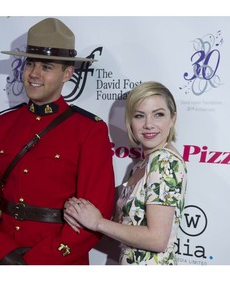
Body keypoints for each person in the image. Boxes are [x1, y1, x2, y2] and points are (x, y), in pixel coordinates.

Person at [0, 18, 115, 265]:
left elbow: (96, 215)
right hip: (4, 257)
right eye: (30, 63)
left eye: (47, 66)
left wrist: (37, 262)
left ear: (67, 74)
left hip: (59, 261)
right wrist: (1, 252)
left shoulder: (89, 130)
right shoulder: (0, 125)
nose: (34, 74)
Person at [64, 81, 187, 265]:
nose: (148, 124)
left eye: (158, 115)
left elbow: (157, 239)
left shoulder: (164, 162)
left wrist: (97, 223)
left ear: (173, 118)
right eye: (139, 116)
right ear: (130, 121)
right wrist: (76, 208)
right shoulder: (141, 165)